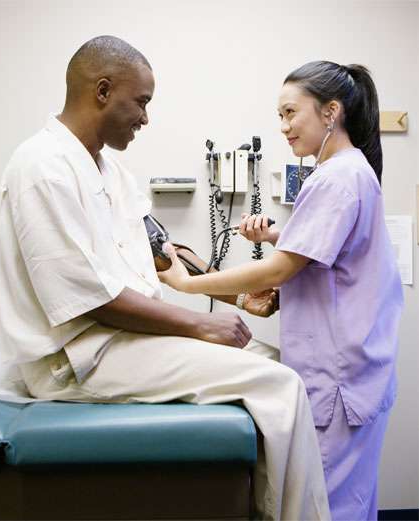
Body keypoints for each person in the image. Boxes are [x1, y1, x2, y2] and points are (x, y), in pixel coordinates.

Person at [0, 36, 331, 520]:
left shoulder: (110, 170)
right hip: (81, 355)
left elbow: (162, 251)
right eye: (142, 102)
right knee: (280, 386)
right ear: (103, 90)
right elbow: (87, 301)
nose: (146, 118)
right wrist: (199, 325)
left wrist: (239, 296)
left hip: (123, 341)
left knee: (273, 359)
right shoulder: (42, 167)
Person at [159, 61, 403, 521]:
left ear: (331, 112)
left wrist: (188, 283)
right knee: (349, 503)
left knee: (327, 508)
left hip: (337, 381)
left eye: (291, 113)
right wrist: (276, 238)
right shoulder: (347, 172)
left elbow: (277, 272)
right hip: (352, 371)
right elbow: (325, 265)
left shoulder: (336, 177)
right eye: (280, 115)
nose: (284, 127)